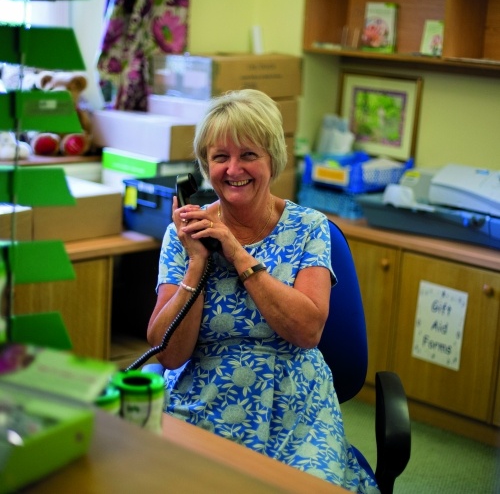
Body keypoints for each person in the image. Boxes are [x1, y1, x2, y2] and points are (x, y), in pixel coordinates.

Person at [147, 89, 379, 493]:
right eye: (220, 157)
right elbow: (168, 352)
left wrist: (236, 253)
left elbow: (307, 330)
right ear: (205, 167)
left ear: (272, 158)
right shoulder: (183, 235)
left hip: (296, 406)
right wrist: (198, 261)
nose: (234, 169)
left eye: (248, 155)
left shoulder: (309, 227)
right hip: (203, 398)